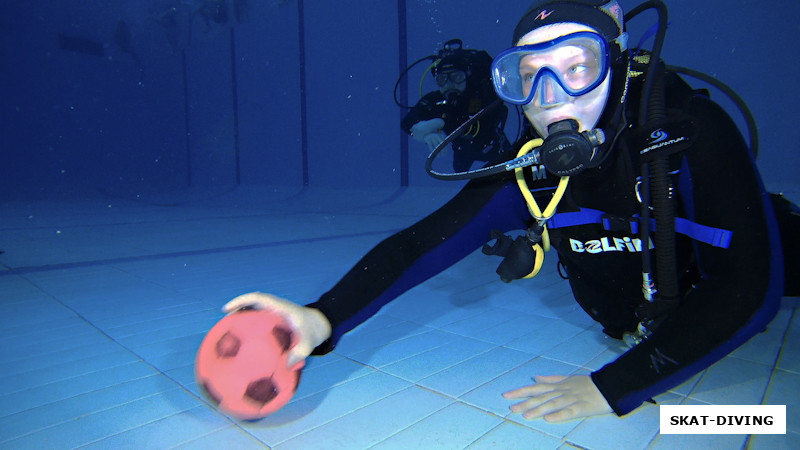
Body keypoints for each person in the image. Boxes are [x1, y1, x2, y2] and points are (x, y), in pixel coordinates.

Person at [223, 0, 797, 422]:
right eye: (528, 76)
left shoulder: (688, 136)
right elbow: (417, 246)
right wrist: (320, 319)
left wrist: (612, 388)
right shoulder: (532, 171)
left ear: (616, 66)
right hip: (641, 320)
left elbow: (752, 285)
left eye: (577, 67)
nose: (552, 97)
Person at [401, 39, 512, 173]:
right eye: (442, 79)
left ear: (467, 76)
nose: (450, 84)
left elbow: (495, 110)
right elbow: (407, 121)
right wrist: (422, 133)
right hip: (462, 150)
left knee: (512, 171)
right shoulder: (436, 99)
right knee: (459, 173)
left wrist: (441, 122)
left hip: (492, 146)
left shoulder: (481, 92)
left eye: (457, 77)